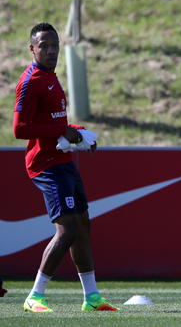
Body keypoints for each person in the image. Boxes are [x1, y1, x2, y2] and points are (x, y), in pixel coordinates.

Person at [14, 23, 119, 312]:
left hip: (63, 160)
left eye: (54, 45)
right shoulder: (31, 81)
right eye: (44, 45)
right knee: (67, 229)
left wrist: (76, 131)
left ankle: (92, 297)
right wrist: (63, 128)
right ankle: (35, 295)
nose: (50, 50)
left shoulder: (50, 77)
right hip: (46, 165)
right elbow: (20, 128)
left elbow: (53, 121)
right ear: (32, 49)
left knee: (82, 226)